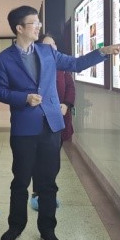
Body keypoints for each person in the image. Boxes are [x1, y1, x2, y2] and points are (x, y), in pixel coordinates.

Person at [0, 6, 120, 240]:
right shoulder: (4, 59)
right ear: (19, 28)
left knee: (48, 181)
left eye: (38, 22)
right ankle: (15, 226)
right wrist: (24, 98)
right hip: (24, 128)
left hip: (51, 126)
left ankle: (48, 229)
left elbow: (76, 64)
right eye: (34, 23)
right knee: (20, 181)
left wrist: (102, 52)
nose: (39, 27)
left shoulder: (48, 51)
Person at [29, 33, 75, 212]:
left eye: (54, 44)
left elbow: (70, 88)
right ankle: (37, 193)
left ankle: (49, 192)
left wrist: (66, 104)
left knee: (53, 160)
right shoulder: (34, 66)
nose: (52, 47)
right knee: (40, 159)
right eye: (47, 45)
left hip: (60, 119)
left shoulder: (61, 66)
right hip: (41, 121)